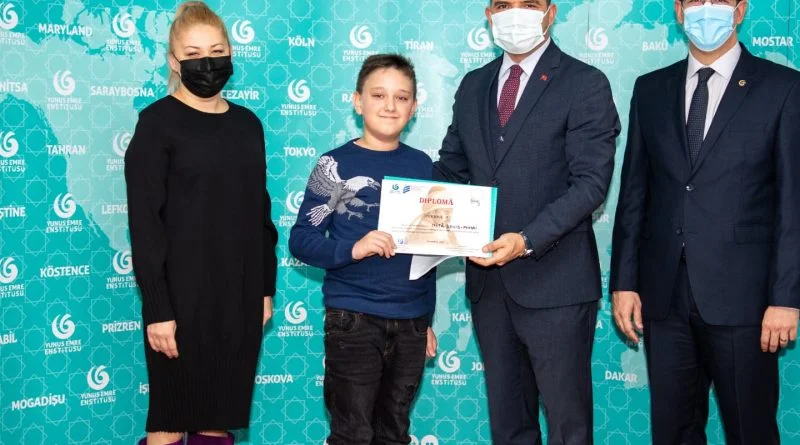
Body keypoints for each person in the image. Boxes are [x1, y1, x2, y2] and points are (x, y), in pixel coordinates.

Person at [610, 1, 800, 444]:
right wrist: (624, 281)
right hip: (663, 296)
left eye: (720, 0)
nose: (707, 10)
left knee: (751, 430)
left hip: (746, 301)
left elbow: (793, 202)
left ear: (741, 9)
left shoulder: (783, 88)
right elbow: (635, 192)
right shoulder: (650, 89)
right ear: (679, 11)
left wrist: (786, 298)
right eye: (695, 0)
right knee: (673, 431)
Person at [433, 0, 620, 443]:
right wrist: (394, 187)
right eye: (504, 4)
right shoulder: (474, 85)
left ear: (550, 13)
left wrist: (526, 239)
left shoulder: (584, 83)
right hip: (489, 288)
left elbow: (590, 184)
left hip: (556, 283)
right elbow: (451, 171)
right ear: (489, 14)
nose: (515, 13)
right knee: (509, 426)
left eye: (529, 4)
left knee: (567, 427)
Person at [124, 2, 278, 444]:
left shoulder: (248, 125)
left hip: (238, 298)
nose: (206, 63)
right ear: (174, 62)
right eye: (193, 54)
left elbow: (259, 214)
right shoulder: (157, 124)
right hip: (180, 300)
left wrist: (264, 289)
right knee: (170, 418)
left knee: (219, 414)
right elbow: (145, 225)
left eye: (216, 51)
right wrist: (158, 310)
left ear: (231, 53)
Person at [289, 54, 438, 445]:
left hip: (410, 322)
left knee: (394, 432)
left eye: (401, 97)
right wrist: (352, 249)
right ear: (358, 101)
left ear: (414, 107)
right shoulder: (335, 162)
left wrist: (427, 319)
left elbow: (430, 250)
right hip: (353, 317)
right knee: (353, 433)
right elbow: (301, 239)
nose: (390, 105)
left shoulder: (423, 166)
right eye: (378, 95)